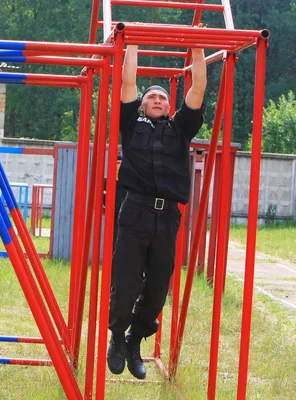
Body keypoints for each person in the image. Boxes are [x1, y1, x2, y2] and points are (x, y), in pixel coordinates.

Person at [106, 38, 207, 380]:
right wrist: (129, 40)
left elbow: (199, 86)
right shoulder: (131, 126)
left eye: (163, 97)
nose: (158, 100)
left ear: (170, 106)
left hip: (167, 218)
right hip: (135, 212)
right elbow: (128, 82)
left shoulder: (180, 130)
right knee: (126, 281)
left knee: (157, 288)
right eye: (152, 97)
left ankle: (135, 339)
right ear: (143, 104)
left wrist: (198, 46)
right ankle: (117, 337)